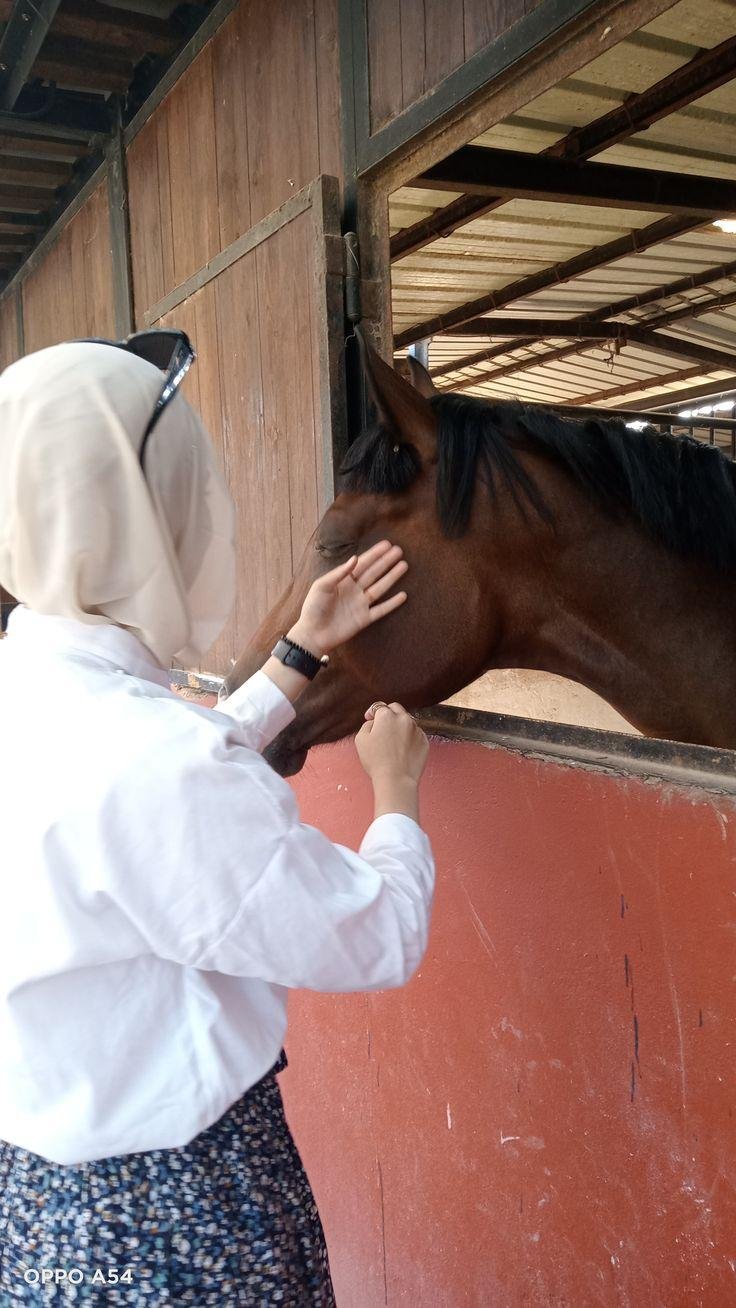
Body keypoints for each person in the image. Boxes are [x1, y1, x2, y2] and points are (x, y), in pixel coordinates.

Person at [0, 337, 434, 1306]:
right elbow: (378, 935)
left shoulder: (35, 694)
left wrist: (297, 654)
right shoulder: (147, 762)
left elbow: (143, 802)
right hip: (182, 1212)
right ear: (154, 516)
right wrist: (396, 795)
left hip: (42, 1204)